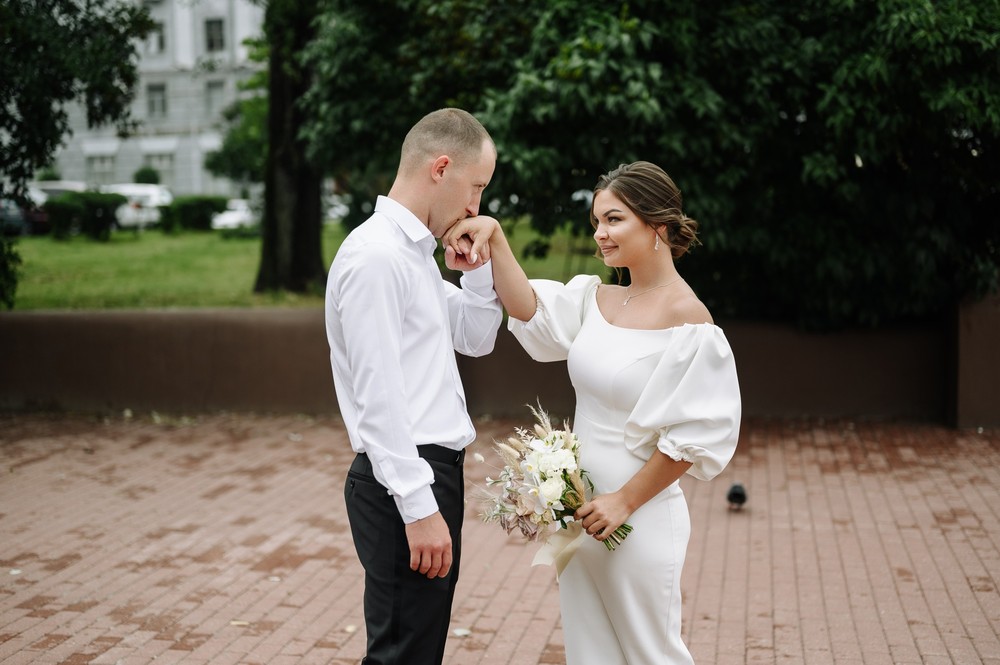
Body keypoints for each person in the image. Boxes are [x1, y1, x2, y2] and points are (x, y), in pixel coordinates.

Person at [445, 160, 741, 664]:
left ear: (658, 225)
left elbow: (693, 436)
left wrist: (623, 502)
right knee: (591, 652)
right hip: (580, 513)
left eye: (615, 220)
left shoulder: (688, 319)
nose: (601, 234)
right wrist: (494, 239)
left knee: (650, 654)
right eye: (597, 223)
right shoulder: (597, 299)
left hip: (637, 518)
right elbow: (528, 308)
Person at [324, 108, 503, 665]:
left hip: (428, 474)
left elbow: (476, 336)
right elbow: (377, 395)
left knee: (416, 651)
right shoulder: (377, 256)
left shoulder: (412, 255)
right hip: (403, 478)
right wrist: (418, 505)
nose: (475, 206)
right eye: (476, 187)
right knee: (401, 655)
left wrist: (473, 269)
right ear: (441, 168)